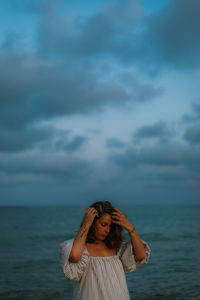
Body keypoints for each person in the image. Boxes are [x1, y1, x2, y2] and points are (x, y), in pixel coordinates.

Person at [59, 201, 150, 300]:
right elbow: (74, 256)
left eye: (110, 226)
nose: (107, 230)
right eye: (103, 224)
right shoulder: (80, 246)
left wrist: (129, 227)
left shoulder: (115, 246)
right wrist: (86, 224)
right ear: (92, 223)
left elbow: (141, 256)